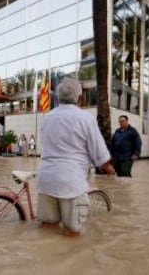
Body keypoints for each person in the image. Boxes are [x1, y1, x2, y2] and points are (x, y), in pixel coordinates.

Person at [36, 78, 114, 237]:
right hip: (71, 182)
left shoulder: (47, 118)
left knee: (48, 226)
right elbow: (99, 150)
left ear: (58, 97)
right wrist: (108, 167)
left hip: (46, 178)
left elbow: (44, 145)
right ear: (79, 97)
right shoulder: (85, 118)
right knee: (72, 232)